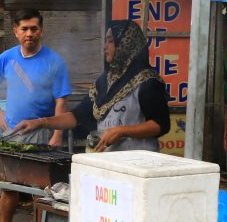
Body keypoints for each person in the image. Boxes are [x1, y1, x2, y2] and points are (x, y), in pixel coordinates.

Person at [11, 20, 169, 151]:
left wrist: (121, 131)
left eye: (110, 41)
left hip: (139, 162)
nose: (105, 47)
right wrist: (41, 122)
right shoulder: (104, 81)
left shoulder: (148, 81)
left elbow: (161, 125)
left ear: (126, 45)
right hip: (108, 162)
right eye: (105, 41)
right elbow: (77, 116)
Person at [0, 10, 71, 222]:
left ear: (41, 30)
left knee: (40, 189)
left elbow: (61, 102)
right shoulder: (7, 58)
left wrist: (57, 135)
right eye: (24, 29)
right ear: (16, 31)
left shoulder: (54, 62)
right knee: (8, 186)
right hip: (11, 132)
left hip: (41, 133)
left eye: (34, 28)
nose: (29, 33)